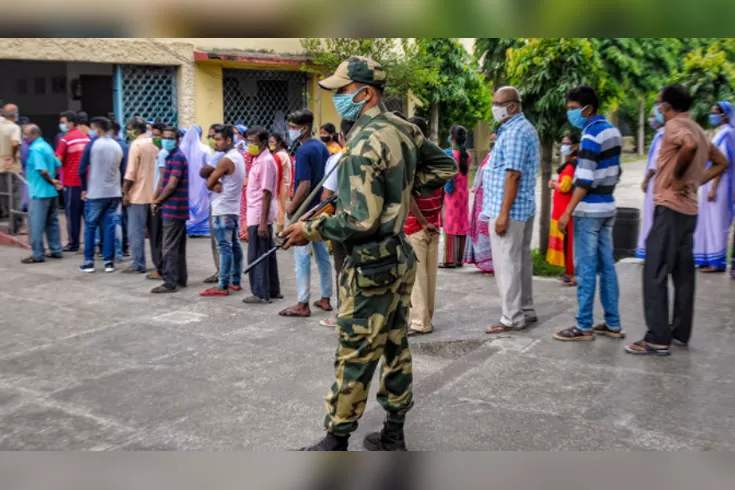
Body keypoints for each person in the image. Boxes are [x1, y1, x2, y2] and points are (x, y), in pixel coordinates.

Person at [281, 56, 456, 451]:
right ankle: (394, 432)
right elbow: (444, 167)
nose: (337, 98)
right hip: (398, 257)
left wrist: (309, 228)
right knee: (395, 346)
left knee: (355, 352)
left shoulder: (362, 144)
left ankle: (336, 440)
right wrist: (402, 191)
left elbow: (360, 220)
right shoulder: (401, 127)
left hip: (370, 264)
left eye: (342, 91)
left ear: (365, 92)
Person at [626, 86, 731, 355]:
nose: (657, 109)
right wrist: (695, 183)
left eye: (659, 104)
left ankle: (657, 337)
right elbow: (721, 162)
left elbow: (690, 147)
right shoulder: (698, 128)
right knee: (683, 274)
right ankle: (679, 332)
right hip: (689, 212)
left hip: (670, 208)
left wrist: (679, 177)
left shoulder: (676, 127)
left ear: (668, 107)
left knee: (655, 270)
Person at [553, 85, 623, 341]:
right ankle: (613, 323)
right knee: (607, 267)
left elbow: (583, 180)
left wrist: (567, 212)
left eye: (573, 109)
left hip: (589, 210)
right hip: (608, 206)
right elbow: (616, 172)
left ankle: (583, 326)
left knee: (585, 269)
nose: (570, 114)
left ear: (587, 108)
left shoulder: (591, 135)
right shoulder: (613, 131)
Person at [483, 87, 540, 335]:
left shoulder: (516, 132)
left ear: (513, 106)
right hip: (522, 208)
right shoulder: (519, 129)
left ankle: (512, 316)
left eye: (499, 103)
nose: (495, 107)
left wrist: (503, 214)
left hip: (510, 210)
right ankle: (525, 309)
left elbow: (513, 174)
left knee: (507, 264)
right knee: (520, 261)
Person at [278, 109, 333, 318]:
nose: (291, 131)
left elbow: (304, 184)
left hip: (304, 210)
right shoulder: (321, 147)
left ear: (304, 127)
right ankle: (326, 298)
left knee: (301, 256)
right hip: (321, 209)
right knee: (322, 255)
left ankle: (302, 303)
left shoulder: (303, 151)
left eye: (293, 127)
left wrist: (292, 211)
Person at [404, 116, 445, 336]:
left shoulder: (413, 158)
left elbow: (408, 194)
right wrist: (434, 218)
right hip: (433, 222)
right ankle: (426, 317)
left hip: (416, 225)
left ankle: (419, 322)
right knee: (429, 276)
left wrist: (421, 222)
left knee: (418, 277)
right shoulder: (437, 156)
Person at [200, 124, 246, 297]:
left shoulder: (226, 160)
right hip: (232, 207)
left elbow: (209, 182)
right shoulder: (237, 157)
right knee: (233, 244)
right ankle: (235, 281)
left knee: (224, 247)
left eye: (219, 139)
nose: (216, 143)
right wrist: (216, 181)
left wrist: (215, 182)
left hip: (222, 208)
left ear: (228, 140)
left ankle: (223, 284)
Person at [318, 118, 355, 328]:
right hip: (371, 223)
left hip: (344, 221)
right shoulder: (375, 154)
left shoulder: (338, 159)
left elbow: (327, 195)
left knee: (343, 269)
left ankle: (345, 313)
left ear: (341, 136)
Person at [693, 101, 735, 273]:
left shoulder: (727, 134)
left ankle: (717, 262)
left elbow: (724, 163)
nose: (712, 115)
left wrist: (713, 187)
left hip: (720, 185)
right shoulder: (719, 133)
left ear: (725, 114)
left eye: (715, 112)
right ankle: (706, 258)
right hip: (710, 183)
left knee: (717, 223)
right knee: (707, 221)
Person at [78, 117, 123, 273]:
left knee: (90, 226)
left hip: (96, 192)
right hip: (114, 192)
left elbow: (82, 169)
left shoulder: (92, 145)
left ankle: (89, 262)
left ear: (97, 129)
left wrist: (84, 189)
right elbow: (122, 170)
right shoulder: (117, 146)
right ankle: (108, 262)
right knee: (109, 226)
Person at [242, 126, 282, 304]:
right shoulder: (259, 159)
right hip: (257, 212)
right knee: (266, 252)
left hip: (259, 213)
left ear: (264, 142)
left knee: (257, 254)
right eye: (248, 141)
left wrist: (262, 223)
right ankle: (272, 289)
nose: (250, 145)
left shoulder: (265, 161)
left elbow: (266, 193)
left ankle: (260, 292)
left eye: (253, 142)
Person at [150, 127, 189, 293]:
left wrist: (158, 199)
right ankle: (180, 278)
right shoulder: (171, 156)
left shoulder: (177, 158)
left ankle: (169, 282)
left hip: (174, 208)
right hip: (175, 207)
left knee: (169, 247)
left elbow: (172, 184)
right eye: (165, 137)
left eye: (170, 137)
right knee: (177, 246)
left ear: (178, 140)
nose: (166, 140)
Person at [20, 124, 63, 264]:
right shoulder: (46, 146)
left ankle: (38, 254)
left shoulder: (36, 149)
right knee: (52, 222)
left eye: (26, 134)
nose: (24, 138)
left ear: (34, 134)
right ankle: (56, 249)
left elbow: (42, 170)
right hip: (50, 192)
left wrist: (51, 181)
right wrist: (55, 180)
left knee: (36, 225)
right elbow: (57, 165)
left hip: (39, 192)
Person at [122, 117, 158, 274]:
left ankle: (138, 263)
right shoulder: (155, 143)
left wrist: (125, 192)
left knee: (135, 231)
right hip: (155, 194)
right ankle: (159, 263)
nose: (128, 131)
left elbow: (131, 173)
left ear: (136, 130)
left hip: (138, 195)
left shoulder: (136, 145)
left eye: (129, 128)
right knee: (155, 233)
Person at [546, 132, 580, 286]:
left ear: (575, 146)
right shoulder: (570, 162)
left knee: (568, 241)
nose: (563, 146)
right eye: (562, 143)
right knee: (565, 240)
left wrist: (554, 185)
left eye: (566, 143)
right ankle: (568, 271)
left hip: (565, 208)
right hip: (562, 207)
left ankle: (571, 275)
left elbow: (566, 187)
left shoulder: (572, 164)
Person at [56, 110, 90, 252]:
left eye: (63, 122)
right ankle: (90, 243)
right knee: (87, 215)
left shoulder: (66, 139)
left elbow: (57, 160)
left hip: (71, 182)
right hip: (87, 183)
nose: (61, 125)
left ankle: (73, 243)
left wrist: (55, 176)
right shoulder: (86, 138)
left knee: (72, 215)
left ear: (71, 123)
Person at [439, 125, 471, 268]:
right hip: (463, 194)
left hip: (452, 194)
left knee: (450, 224)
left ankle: (448, 259)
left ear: (451, 137)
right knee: (462, 224)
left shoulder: (448, 154)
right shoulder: (467, 155)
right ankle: (459, 258)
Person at [464, 132, 496, 274]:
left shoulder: (498, 158)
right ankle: (483, 261)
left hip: (489, 199)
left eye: (495, 140)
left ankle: (490, 263)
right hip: (480, 199)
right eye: (491, 140)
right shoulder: (489, 157)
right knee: (480, 229)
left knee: (487, 229)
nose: (492, 143)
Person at [636, 111, 665, 260]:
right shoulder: (660, 134)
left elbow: (655, 162)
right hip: (659, 181)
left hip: (656, 182)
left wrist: (646, 179)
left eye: (654, 116)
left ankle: (653, 252)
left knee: (653, 216)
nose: (651, 119)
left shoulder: (662, 136)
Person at [145, 122, 168, 280]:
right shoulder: (159, 153)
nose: (155, 138)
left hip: (158, 200)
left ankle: (160, 268)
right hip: (157, 198)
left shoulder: (163, 154)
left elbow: (161, 179)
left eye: (157, 136)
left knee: (157, 236)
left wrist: (155, 199)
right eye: (153, 135)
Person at [203, 124, 224, 283]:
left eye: (214, 137)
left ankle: (222, 273)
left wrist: (210, 179)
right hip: (218, 200)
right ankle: (224, 272)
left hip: (220, 204)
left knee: (219, 241)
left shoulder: (219, 156)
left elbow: (203, 172)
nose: (211, 140)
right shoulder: (216, 154)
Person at [0, 104, 24, 233]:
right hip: (12, 166)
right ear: (15, 115)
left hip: (0, 166)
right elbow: (15, 143)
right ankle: (16, 224)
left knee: (4, 195)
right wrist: (13, 156)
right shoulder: (14, 127)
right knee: (15, 196)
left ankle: (7, 219)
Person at [110, 121, 130, 257]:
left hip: (116, 186)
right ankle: (125, 246)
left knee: (117, 218)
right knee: (124, 218)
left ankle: (119, 248)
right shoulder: (126, 146)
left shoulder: (115, 146)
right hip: (123, 185)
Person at [269, 133, 291, 233]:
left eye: (272, 142)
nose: (270, 144)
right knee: (281, 208)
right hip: (285, 183)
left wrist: (274, 189)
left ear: (279, 143)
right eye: (269, 142)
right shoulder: (284, 153)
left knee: (279, 209)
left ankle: (279, 232)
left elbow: (276, 173)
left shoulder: (279, 155)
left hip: (280, 185)